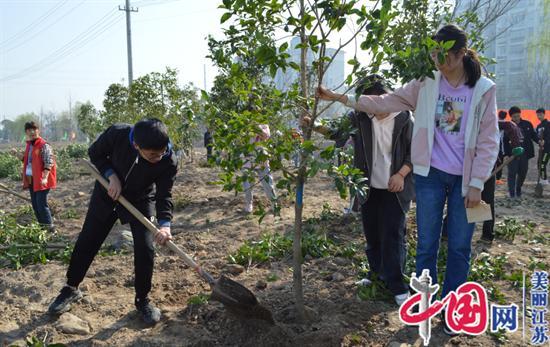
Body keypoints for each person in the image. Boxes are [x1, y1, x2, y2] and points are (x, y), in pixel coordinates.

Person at [316, 24, 499, 335]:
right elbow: (384, 102)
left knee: (458, 245)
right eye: (434, 55)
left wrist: (476, 184)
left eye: (446, 57)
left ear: (460, 54)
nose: (439, 63)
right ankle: (424, 304)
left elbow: (488, 139)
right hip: (429, 175)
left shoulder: (482, 89)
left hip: (464, 180)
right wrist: (338, 97)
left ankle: (453, 308)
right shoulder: (426, 84)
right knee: (426, 242)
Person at [47, 119, 177, 325]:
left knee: (146, 248)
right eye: (152, 155)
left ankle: (142, 299)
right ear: (137, 146)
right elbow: (95, 153)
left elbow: (165, 194)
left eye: (161, 152)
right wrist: (111, 175)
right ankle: (71, 288)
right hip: (107, 193)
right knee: (88, 240)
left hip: (140, 200)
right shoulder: (117, 134)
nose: (158, 158)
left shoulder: (167, 160)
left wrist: (165, 224)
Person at [307, 74, 414, 306]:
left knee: (392, 235)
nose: (374, 109)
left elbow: (414, 152)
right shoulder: (360, 117)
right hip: (369, 187)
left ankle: (396, 284)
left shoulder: (405, 118)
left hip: (395, 187)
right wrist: (313, 125)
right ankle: (375, 275)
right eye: (367, 103)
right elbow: (338, 132)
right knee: (372, 234)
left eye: (377, 102)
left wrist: (401, 174)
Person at [13, 121, 57, 233]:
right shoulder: (30, 145)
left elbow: (48, 162)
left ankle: (50, 229)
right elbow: (27, 160)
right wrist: (17, 155)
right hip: (32, 179)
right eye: (29, 130)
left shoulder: (44, 145)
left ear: (38, 130)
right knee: (35, 205)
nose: (32, 132)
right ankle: (43, 228)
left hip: (42, 180)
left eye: (34, 129)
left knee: (41, 205)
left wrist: (45, 177)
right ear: (26, 132)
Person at [242, 124, 277, 213]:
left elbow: (266, 136)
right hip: (247, 161)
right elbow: (240, 140)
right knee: (247, 185)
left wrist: (257, 127)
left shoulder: (265, 126)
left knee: (268, 184)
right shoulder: (244, 124)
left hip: (262, 160)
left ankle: (274, 204)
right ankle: (249, 204)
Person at [510, 106, 539, 191]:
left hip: (525, 152)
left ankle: (518, 186)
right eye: (514, 117)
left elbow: (534, 135)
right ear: (511, 117)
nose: (517, 118)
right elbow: (504, 140)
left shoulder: (527, 124)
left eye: (518, 116)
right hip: (513, 153)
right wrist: (505, 154)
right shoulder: (508, 126)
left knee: (523, 171)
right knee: (513, 171)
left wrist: (539, 141)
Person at [536, 108, 550, 184]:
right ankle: (542, 178)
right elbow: (537, 137)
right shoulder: (538, 126)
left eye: (540, 114)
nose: (539, 116)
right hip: (542, 149)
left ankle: (544, 180)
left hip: (548, 149)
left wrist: (546, 142)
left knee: (543, 163)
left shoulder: (548, 124)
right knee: (539, 163)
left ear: (544, 114)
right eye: (537, 115)